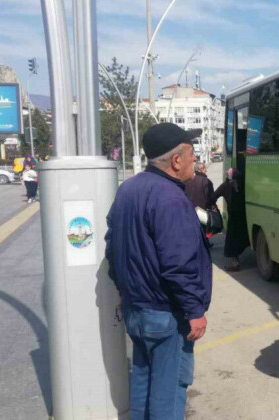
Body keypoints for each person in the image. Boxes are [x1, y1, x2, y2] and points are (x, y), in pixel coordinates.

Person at [105, 123, 212, 420]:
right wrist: (194, 310)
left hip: (136, 309)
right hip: (166, 315)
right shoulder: (171, 198)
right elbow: (178, 265)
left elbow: (112, 250)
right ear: (176, 160)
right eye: (192, 154)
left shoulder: (128, 189)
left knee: (143, 380)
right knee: (171, 389)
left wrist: (128, 289)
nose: (196, 160)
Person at [214, 167, 250, 271]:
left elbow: (213, 196)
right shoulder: (243, 184)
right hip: (244, 216)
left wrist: (212, 205)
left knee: (232, 239)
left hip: (233, 217)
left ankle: (235, 263)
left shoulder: (226, 185)